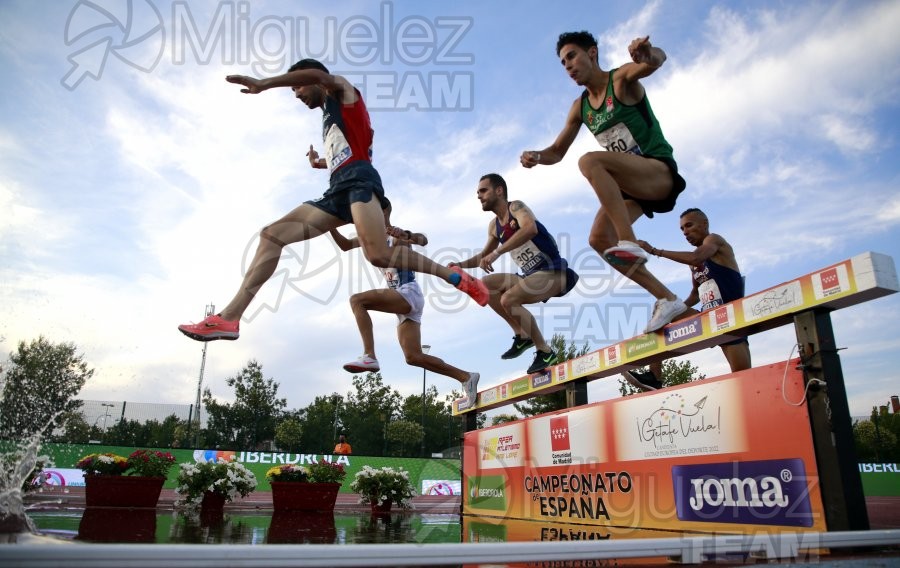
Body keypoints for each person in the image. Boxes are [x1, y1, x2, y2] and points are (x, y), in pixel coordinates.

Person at [178, 58, 488, 341]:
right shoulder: (331, 118)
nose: (296, 95)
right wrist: (321, 163)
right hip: (337, 190)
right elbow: (352, 150)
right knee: (271, 236)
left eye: (297, 87)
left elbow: (318, 77)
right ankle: (229, 318)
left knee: (378, 256)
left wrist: (265, 83)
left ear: (316, 81)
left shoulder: (345, 93)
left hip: (360, 183)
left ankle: (453, 276)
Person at [520, 31, 687, 333]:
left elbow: (655, 62)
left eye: (572, 56)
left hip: (658, 172)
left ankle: (629, 241)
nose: (568, 66)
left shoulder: (620, 80)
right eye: (562, 63)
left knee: (590, 161)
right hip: (631, 185)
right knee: (598, 239)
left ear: (592, 53)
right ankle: (667, 297)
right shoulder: (580, 107)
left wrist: (648, 54)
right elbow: (557, 152)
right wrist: (536, 155)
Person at [329, 214, 480, 405]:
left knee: (357, 301)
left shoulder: (395, 236)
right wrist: (330, 226)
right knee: (413, 357)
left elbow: (422, 240)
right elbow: (344, 245)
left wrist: (406, 234)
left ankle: (369, 355)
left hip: (408, 292)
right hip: (402, 300)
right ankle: (466, 377)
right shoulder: (368, 239)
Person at [449, 174, 579, 375]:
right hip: (530, 276)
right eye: (478, 193)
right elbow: (484, 256)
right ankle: (522, 334)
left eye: (483, 191)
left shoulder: (516, 208)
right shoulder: (494, 226)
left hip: (554, 274)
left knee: (508, 300)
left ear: (499, 190)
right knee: (486, 284)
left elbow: (530, 228)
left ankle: (544, 350)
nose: (479, 196)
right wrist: (459, 264)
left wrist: (497, 252)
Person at [623, 207, 752, 391]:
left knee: (744, 379)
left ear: (704, 224)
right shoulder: (695, 266)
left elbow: (695, 257)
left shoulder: (714, 240)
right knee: (664, 309)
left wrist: (655, 251)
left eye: (689, 226)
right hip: (707, 318)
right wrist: (674, 308)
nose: (685, 232)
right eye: (682, 229)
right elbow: (695, 294)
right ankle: (654, 377)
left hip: (730, 319)